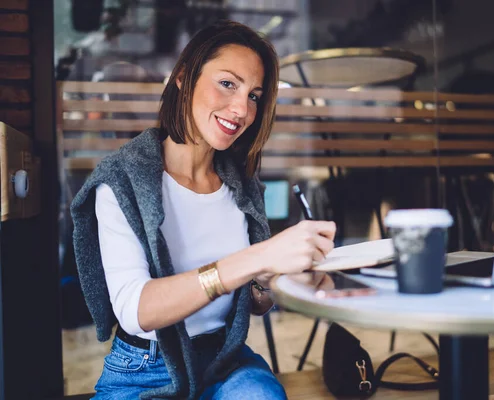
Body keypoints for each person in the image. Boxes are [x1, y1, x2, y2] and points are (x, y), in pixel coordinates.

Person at [71, 20, 336, 400]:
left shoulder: (242, 185)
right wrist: (254, 257)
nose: (242, 109)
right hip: (143, 368)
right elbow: (135, 309)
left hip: (224, 359)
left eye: (255, 95)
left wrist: (285, 281)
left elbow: (256, 299)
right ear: (183, 78)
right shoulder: (122, 180)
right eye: (228, 84)